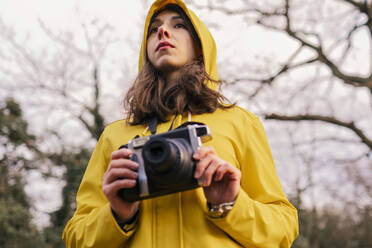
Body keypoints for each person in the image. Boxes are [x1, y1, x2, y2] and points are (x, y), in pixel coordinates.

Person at [63, 0, 299, 247]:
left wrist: (229, 204)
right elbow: (75, 237)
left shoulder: (239, 123)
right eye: (154, 29)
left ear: (200, 46)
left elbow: (282, 228)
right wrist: (117, 215)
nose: (163, 32)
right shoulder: (114, 135)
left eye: (178, 26)